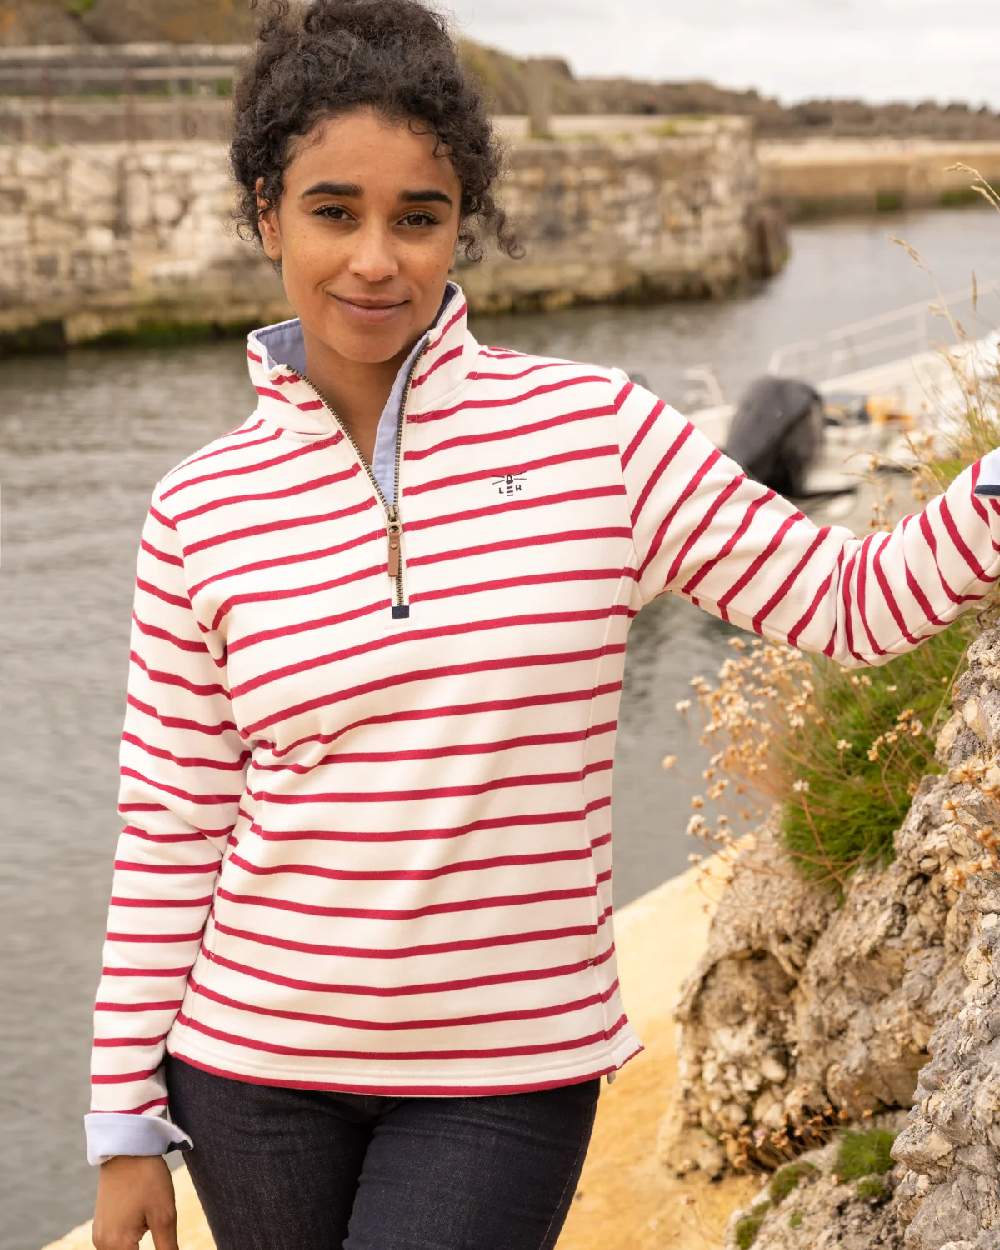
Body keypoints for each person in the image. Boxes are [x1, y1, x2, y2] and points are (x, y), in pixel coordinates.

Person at [86, 1, 1000, 1248]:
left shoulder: (596, 433)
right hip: (251, 1069)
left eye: (418, 217)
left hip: (505, 1070)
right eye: (333, 211)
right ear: (267, 215)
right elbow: (173, 824)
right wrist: (125, 1118)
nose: (375, 259)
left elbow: (849, 600)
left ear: (462, 222)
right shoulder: (198, 505)